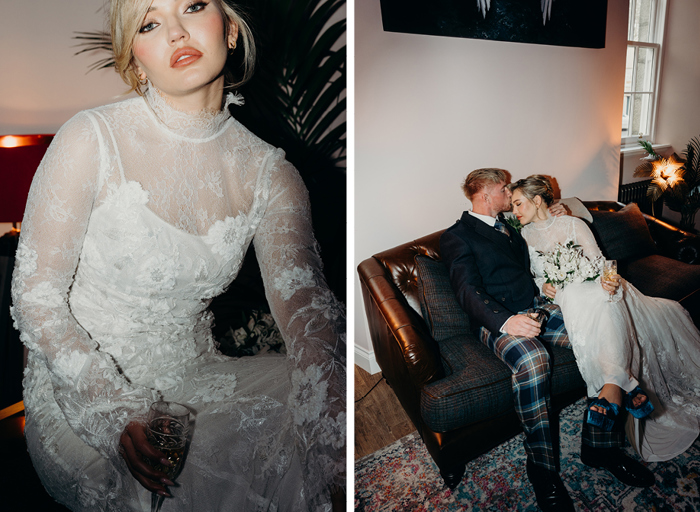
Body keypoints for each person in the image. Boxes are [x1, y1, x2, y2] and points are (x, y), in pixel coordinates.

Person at [10, 0, 346, 511]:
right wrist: (114, 408)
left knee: (310, 438)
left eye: (191, 6)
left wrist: (328, 427)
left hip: (196, 377)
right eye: (149, 23)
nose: (175, 32)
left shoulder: (271, 174)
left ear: (230, 29)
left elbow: (305, 308)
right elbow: (35, 299)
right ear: (134, 56)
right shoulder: (91, 138)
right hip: (78, 394)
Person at [440, 168, 653, 512]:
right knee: (533, 360)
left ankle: (599, 446)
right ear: (484, 193)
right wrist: (506, 321)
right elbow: (466, 290)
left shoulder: (513, 228)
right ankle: (542, 471)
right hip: (498, 322)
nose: (509, 194)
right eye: (504, 189)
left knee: (599, 334)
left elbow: (549, 236)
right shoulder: (458, 236)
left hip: (539, 308)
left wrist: (561, 212)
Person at [511, 174, 700, 464]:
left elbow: (601, 265)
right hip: (565, 296)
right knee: (576, 297)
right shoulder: (523, 235)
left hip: (597, 286)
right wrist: (543, 286)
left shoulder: (574, 224)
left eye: (518, 204)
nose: (515, 211)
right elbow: (536, 275)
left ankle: (611, 385)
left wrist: (608, 284)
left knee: (603, 299)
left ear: (537, 200)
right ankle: (618, 382)